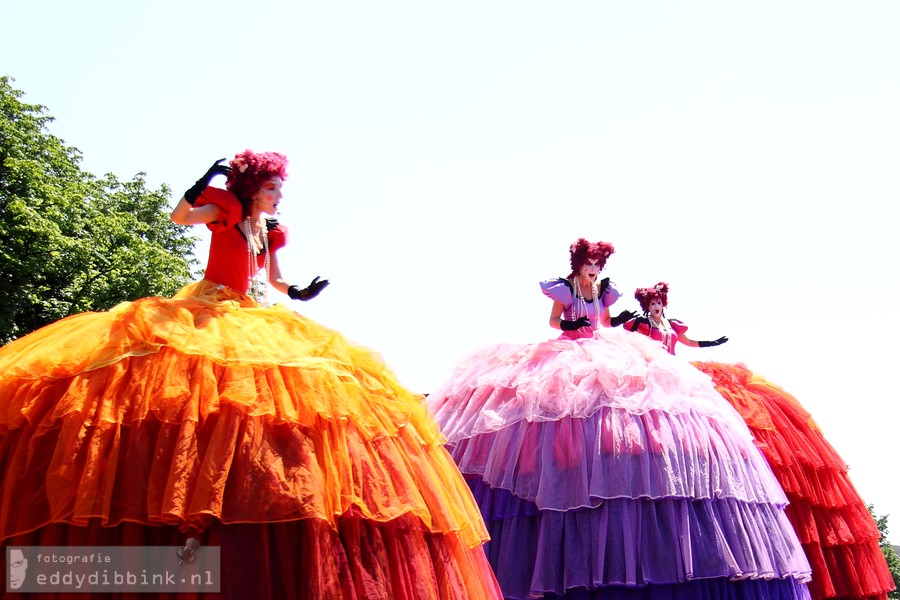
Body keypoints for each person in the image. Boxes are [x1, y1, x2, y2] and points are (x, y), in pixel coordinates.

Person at [0, 150, 501, 599]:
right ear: (250, 189)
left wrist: (298, 292)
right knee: (196, 396)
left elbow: (274, 277)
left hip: (252, 310)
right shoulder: (227, 211)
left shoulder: (270, 229)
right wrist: (201, 183)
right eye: (271, 188)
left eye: (279, 189)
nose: (278, 196)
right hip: (208, 308)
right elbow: (180, 218)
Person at [427, 238, 813, 599]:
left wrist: (618, 322)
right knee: (562, 411)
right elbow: (554, 322)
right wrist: (571, 325)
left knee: (644, 405)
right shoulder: (565, 291)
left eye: (598, 265)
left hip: (606, 349)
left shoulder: (603, 292)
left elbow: (607, 325)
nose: (594, 270)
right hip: (567, 354)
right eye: (590, 265)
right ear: (578, 266)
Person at [622, 281, 896, 600]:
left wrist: (711, 341)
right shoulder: (639, 325)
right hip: (655, 372)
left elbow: (687, 341)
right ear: (646, 305)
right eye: (652, 303)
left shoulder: (671, 324)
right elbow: (628, 343)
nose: (656, 307)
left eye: (659, 303)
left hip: (679, 371)